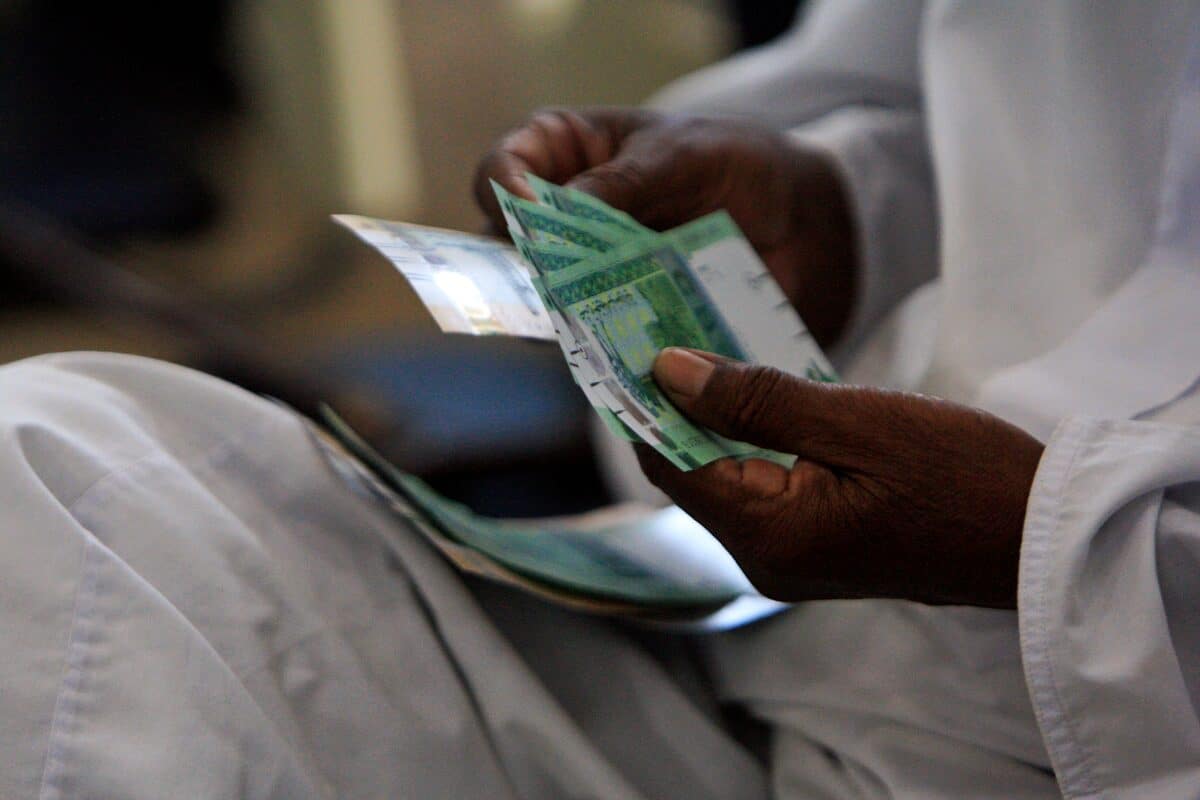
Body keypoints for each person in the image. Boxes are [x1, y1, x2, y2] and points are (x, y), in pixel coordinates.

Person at [0, 2, 1197, 798]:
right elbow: (1002, 101)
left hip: (1098, 741)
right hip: (766, 675)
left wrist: (1060, 546)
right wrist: (850, 207)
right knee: (48, 470)